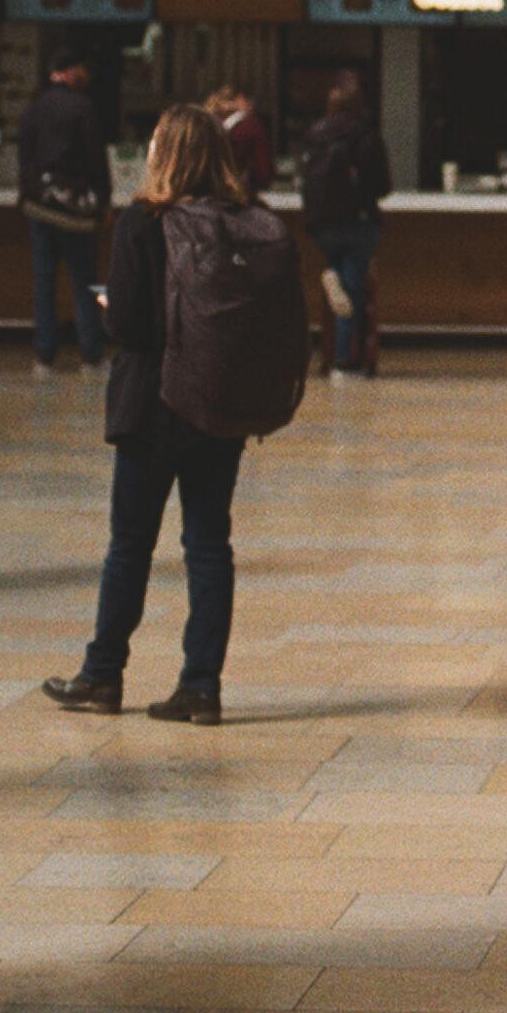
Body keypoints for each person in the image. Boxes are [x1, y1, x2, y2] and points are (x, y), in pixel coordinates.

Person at [41, 103, 305, 724]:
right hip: (219, 405)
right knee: (209, 546)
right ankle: (201, 687)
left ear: (165, 153)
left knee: (130, 546)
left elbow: (130, 325)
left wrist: (108, 306)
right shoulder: (247, 223)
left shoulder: (143, 222)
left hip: (152, 405)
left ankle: (102, 675)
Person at [19, 47, 111, 381]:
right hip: (74, 209)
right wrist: (103, 201)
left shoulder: (34, 107)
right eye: (81, 68)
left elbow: (24, 156)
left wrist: (27, 195)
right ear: (70, 70)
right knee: (84, 281)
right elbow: (95, 159)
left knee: (43, 281)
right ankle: (91, 355)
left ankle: (44, 356)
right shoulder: (82, 107)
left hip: (39, 205)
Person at [300, 80, 391, 382]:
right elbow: (382, 185)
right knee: (354, 289)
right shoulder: (367, 136)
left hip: (321, 226)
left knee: (341, 278)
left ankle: (333, 275)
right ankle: (344, 360)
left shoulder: (314, 135)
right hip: (358, 222)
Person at [207, 86, 274, 197]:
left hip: (230, 189)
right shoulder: (248, 126)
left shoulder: (246, 126)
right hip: (238, 189)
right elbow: (263, 169)